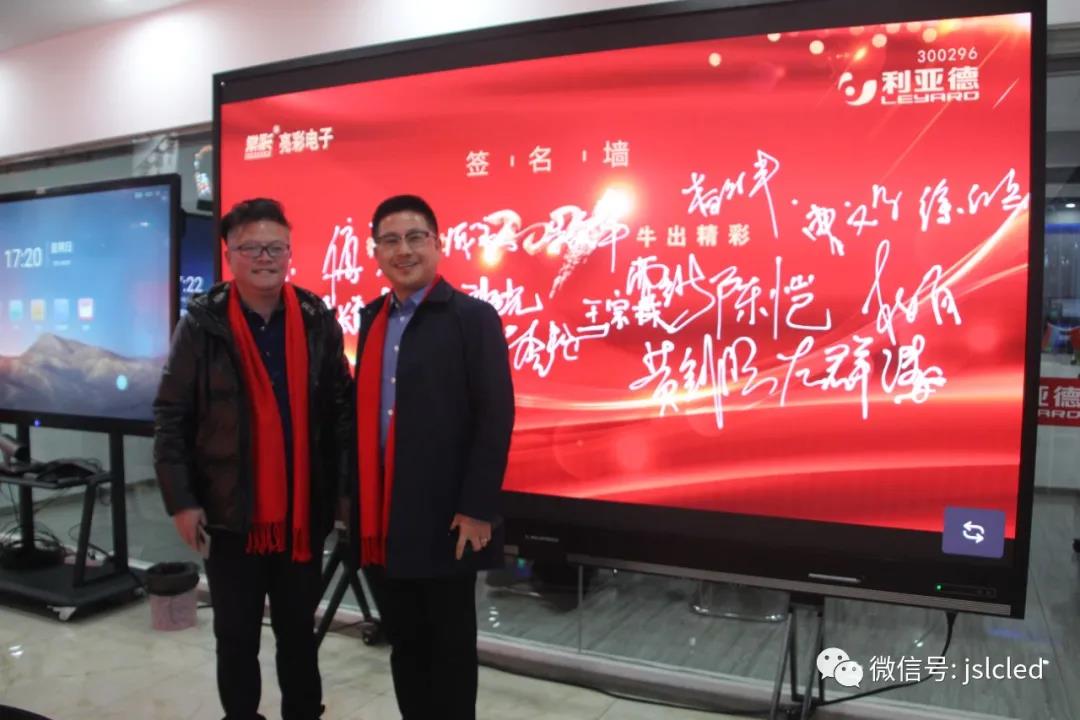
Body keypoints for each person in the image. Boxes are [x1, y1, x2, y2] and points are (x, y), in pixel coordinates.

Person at [154, 198, 352, 720]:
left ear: (289, 252)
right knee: (235, 635)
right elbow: (171, 416)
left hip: (301, 513)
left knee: (299, 634)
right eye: (252, 248)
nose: (265, 258)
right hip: (228, 514)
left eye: (276, 247)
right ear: (229, 254)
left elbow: (340, 413)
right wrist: (181, 501)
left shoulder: (315, 319)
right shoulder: (202, 325)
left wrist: (343, 495)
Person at [351, 194, 515, 720]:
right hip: (385, 517)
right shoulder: (373, 318)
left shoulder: (472, 317)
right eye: (390, 240)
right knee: (405, 646)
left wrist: (477, 507)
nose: (403, 250)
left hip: (448, 517)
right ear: (376, 251)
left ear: (438, 244)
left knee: (450, 651)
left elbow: (495, 416)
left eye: (415, 237)